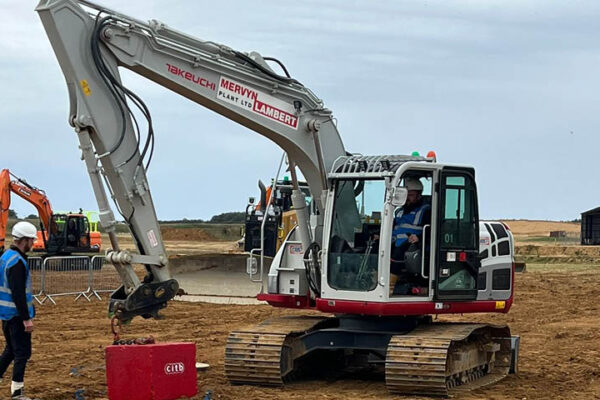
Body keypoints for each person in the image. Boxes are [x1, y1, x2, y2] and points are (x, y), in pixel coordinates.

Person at [0, 221, 37, 400]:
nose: (33, 244)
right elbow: (18, 294)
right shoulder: (17, 262)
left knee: (11, 350)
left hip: (6, 315)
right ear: (24, 240)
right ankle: (17, 392)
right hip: (16, 316)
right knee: (22, 352)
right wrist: (26, 319)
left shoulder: (6, 256)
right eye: (31, 240)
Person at [390, 178, 431, 295]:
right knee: (375, 246)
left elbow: (432, 229)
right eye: (405, 194)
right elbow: (392, 226)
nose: (407, 197)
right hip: (395, 240)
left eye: (411, 195)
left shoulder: (425, 211)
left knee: (398, 253)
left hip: (415, 243)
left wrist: (420, 237)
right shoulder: (399, 211)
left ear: (419, 195)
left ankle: (389, 286)